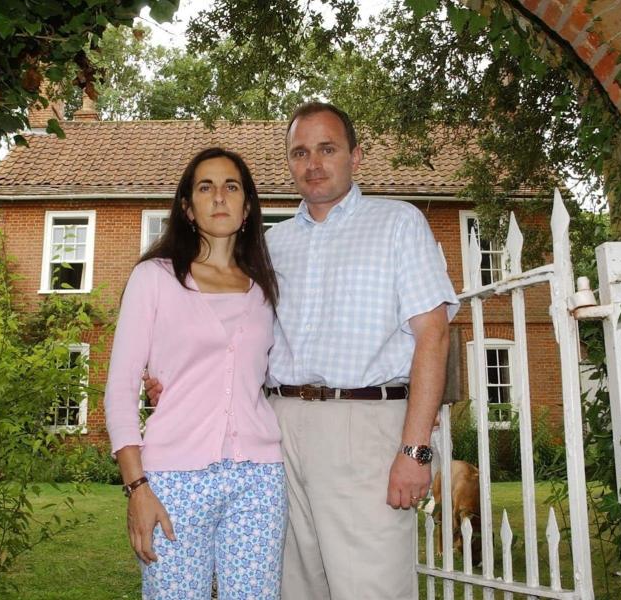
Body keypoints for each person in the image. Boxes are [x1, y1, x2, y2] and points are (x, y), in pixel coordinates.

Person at [147, 103, 458, 600]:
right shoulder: (271, 246)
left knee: (369, 586)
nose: (313, 163)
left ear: (356, 156)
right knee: (294, 586)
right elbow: (237, 341)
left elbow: (434, 336)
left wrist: (415, 448)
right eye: (300, 152)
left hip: (365, 428)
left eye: (327, 149)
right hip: (277, 432)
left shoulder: (397, 224)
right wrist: (172, 377)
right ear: (289, 163)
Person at [105, 147, 286, 600]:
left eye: (232, 187)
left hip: (258, 479)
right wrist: (137, 487)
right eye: (206, 187)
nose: (219, 197)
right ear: (187, 207)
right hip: (173, 479)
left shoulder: (264, 289)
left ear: (247, 209)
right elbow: (120, 390)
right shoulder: (154, 278)